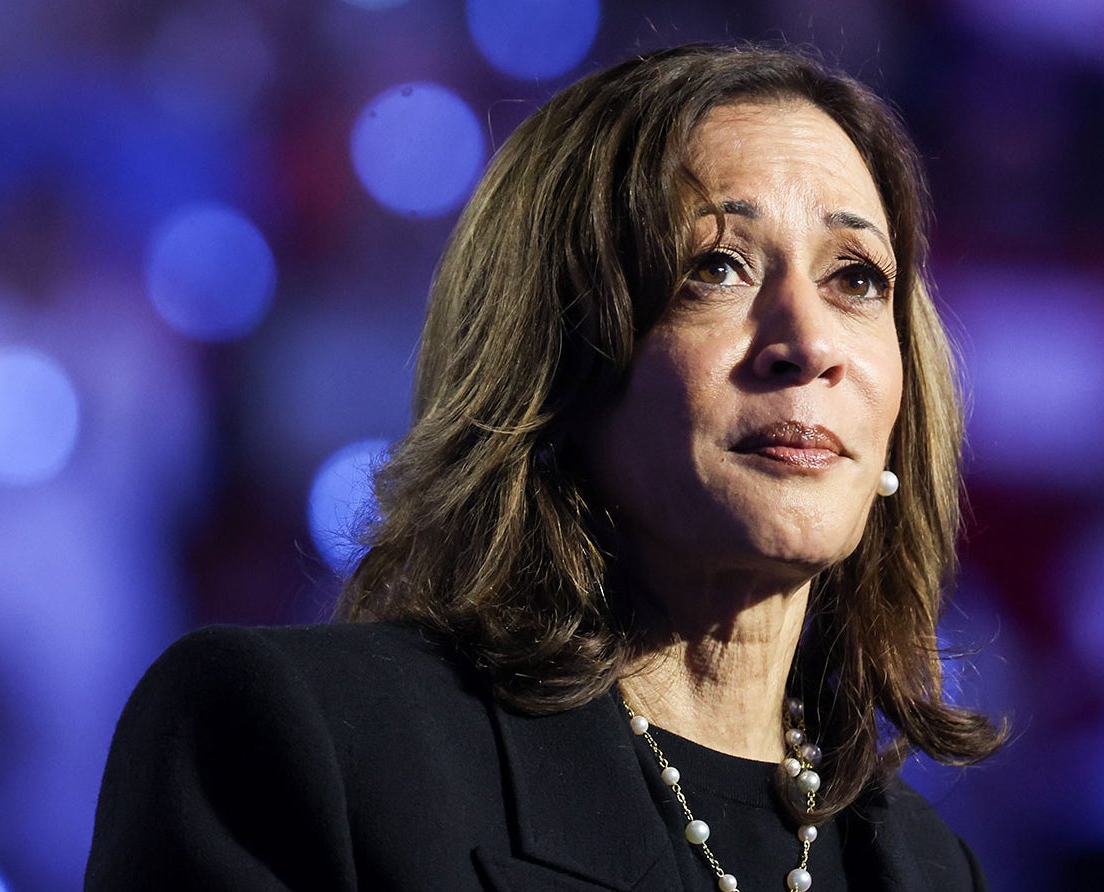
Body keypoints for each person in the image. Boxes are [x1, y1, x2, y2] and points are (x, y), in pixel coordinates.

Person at [87, 43, 1005, 891]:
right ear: (556, 355)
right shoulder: (295, 742)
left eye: (856, 278)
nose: (807, 342)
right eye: (716, 266)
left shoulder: (927, 867)